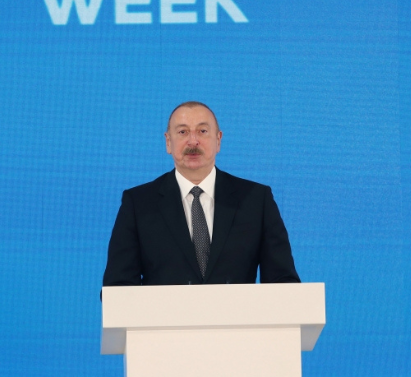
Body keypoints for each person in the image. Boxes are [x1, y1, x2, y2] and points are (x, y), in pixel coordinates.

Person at [103, 101, 300, 286]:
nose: (193, 141)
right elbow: (118, 287)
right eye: (183, 132)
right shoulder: (138, 204)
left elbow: (283, 283)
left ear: (218, 140)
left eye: (202, 131)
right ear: (168, 142)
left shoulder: (256, 200)